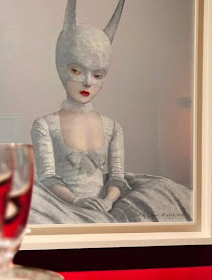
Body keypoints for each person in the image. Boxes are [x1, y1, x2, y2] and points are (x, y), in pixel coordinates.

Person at [28, 0, 193, 225]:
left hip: (105, 206)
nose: (87, 82)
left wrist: (107, 201)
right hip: (63, 207)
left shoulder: (112, 127)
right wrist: (77, 201)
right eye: (76, 70)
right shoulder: (45, 125)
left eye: (97, 75)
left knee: (166, 195)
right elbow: (47, 178)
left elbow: (117, 178)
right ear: (61, 67)